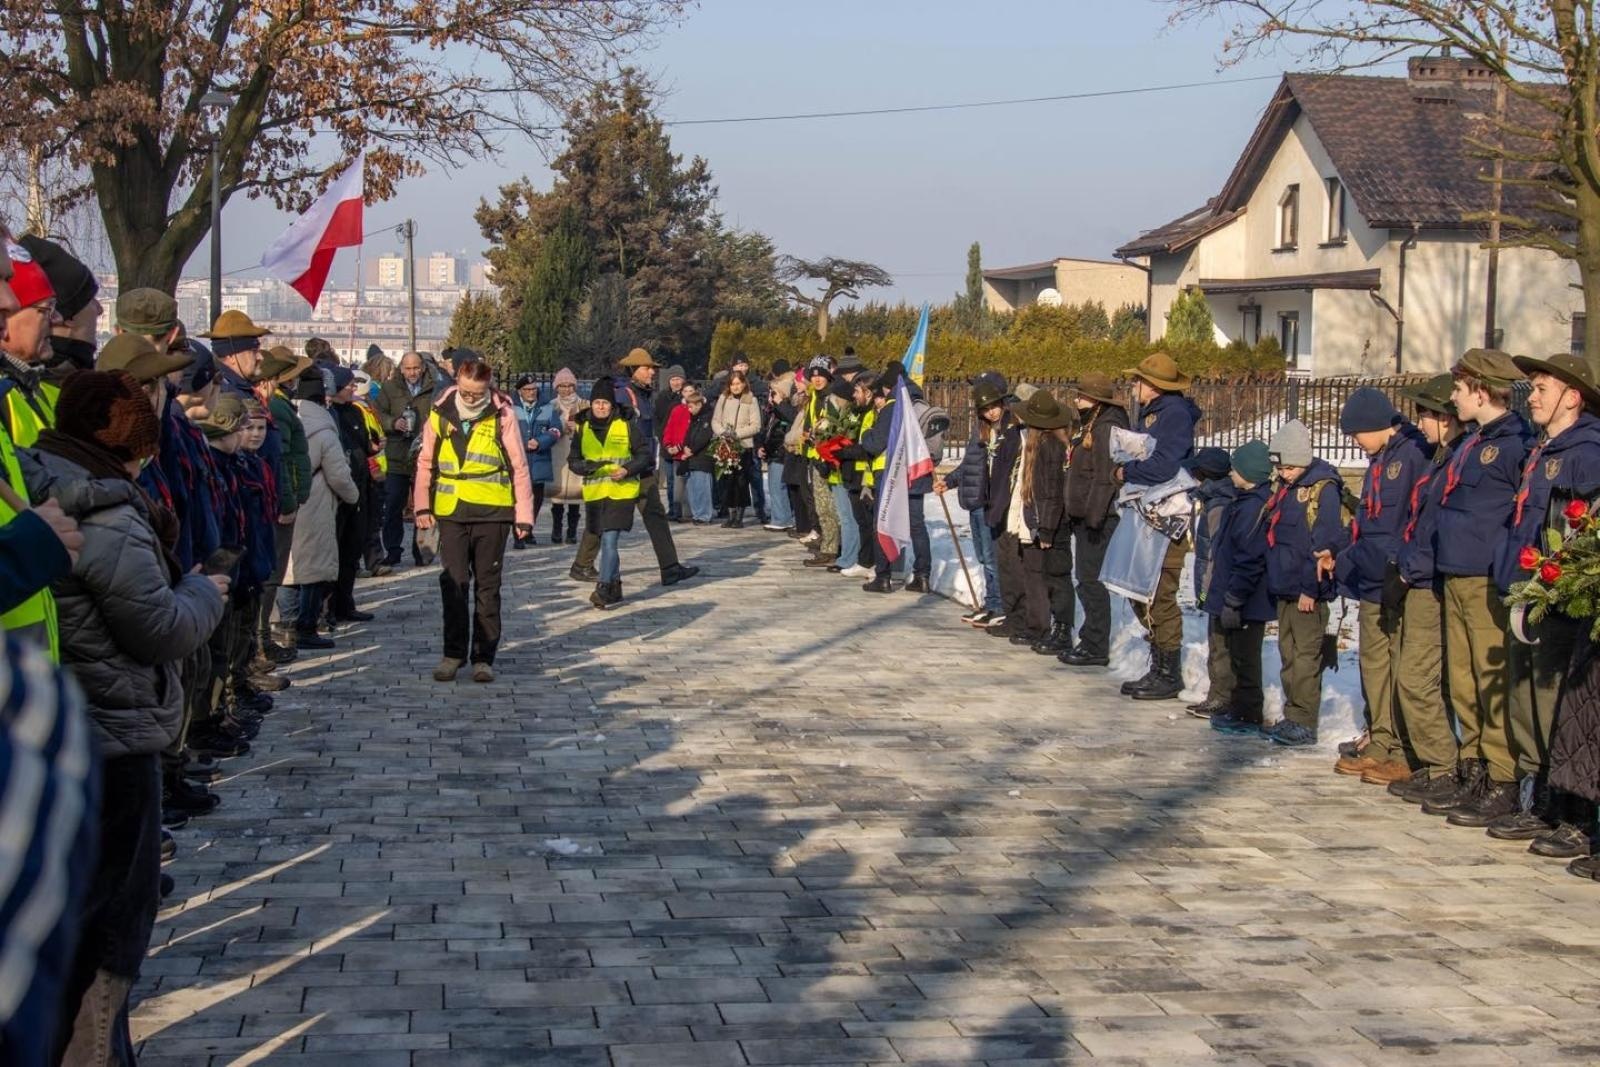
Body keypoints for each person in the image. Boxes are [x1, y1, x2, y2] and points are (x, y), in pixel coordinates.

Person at [28, 370, 226, 1065]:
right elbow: (159, 627)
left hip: (67, 725)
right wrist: (206, 589)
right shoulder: (107, 514)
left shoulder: (41, 479)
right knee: (112, 922)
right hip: (111, 730)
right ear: (130, 446)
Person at [1489, 353, 1600, 853]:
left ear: (1571, 396)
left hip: (1559, 597)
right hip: (1527, 587)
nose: (1530, 396)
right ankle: (1538, 800)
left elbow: (1580, 528)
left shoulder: (1587, 451)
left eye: (1541, 388)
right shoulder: (1544, 448)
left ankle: (1566, 807)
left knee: (1556, 702)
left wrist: (1555, 581)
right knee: (1526, 698)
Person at [1424, 349, 1532, 823]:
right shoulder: (1472, 442)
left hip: (1486, 575)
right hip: (1456, 572)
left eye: (1459, 389)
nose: (1452, 398)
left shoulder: (1514, 444)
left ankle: (1502, 777)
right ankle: (1473, 766)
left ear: (1482, 390)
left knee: (1491, 683)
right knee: (1463, 681)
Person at [413, 358, 534, 682]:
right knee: (454, 583)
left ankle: (483, 657)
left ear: (488, 386)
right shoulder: (440, 412)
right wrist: (422, 507)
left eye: (476, 393)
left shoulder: (503, 413)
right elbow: (425, 461)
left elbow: (518, 466)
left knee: (487, 584)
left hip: (492, 510)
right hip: (451, 509)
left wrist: (523, 516)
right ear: (456, 382)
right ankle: (452, 654)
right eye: (465, 392)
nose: (470, 399)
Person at [1332, 388, 1432, 782]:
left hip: (1395, 575)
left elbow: (1406, 520)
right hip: (1369, 575)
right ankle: (1382, 739)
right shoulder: (1379, 460)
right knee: (1374, 664)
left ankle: (1403, 746)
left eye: (1357, 433)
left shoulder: (1411, 454)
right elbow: (1366, 521)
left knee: (1400, 664)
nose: (1354, 442)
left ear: (1375, 425)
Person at [1388, 375, 1467, 804]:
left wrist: (1409, 569)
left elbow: (1437, 527)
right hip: (1417, 574)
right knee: (1416, 677)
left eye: (1426, 413)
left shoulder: (1453, 459)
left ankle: (1443, 764)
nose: (1421, 422)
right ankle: (1434, 764)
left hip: (1429, 580)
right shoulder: (1438, 459)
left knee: (1418, 678)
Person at [569, 349, 698, 587]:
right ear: (633, 370)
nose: (652, 372)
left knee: (654, 515)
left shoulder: (641, 394)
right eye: (647, 368)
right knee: (605, 518)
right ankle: (583, 565)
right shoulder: (622, 394)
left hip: (640, 467)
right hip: (623, 470)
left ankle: (670, 568)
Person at [1115, 353, 1201, 700]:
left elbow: (1164, 466)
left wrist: (1127, 472)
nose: (1133, 387)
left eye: (1137, 381)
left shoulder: (1174, 415)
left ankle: (1169, 671)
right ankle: (1158, 664)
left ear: (1154, 385)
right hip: (1148, 512)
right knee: (1142, 590)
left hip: (1167, 517)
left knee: (1159, 592)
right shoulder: (1154, 413)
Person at [1261, 419, 1349, 744]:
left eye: (1286, 466)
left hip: (1306, 591)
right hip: (1284, 586)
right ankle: (1291, 713)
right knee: (1288, 655)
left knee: (1305, 658)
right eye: (1279, 467)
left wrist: (1310, 589)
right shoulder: (1286, 488)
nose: (1282, 472)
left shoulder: (1321, 491)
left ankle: (1304, 719)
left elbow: (1321, 544)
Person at [282, 367, 359, 650]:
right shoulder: (324, 428)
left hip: (288, 496)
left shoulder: (287, 415)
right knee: (314, 569)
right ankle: (306, 625)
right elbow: (338, 473)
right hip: (314, 499)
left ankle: (285, 623)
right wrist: (353, 496)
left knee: (288, 566)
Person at [1206, 441, 1276, 736]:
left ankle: (1248, 711)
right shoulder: (1241, 501)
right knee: (1235, 654)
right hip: (1233, 594)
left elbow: (1248, 558)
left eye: (1236, 469)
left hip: (1246, 599)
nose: (1231, 474)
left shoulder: (1252, 508)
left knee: (1246, 657)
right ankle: (1238, 706)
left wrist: (1234, 598)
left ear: (1249, 472)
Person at [998, 388, 1073, 641]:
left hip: (1045, 524)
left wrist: (1046, 528)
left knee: (1044, 577)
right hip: (1034, 520)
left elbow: (1051, 491)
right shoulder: (1038, 444)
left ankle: (1041, 628)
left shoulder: (1049, 447)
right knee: (1033, 574)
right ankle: (1036, 626)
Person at [570, 376, 651, 609]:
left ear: (613, 405)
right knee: (604, 537)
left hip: (621, 492)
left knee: (609, 539)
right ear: (591, 404)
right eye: (597, 403)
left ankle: (604, 587)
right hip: (595, 494)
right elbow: (573, 459)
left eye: (605, 403)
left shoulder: (625, 425)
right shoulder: (583, 428)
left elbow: (644, 455)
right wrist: (586, 467)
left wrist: (627, 469)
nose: (601, 407)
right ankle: (615, 585)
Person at [1181, 447, 1237, 716]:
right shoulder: (1213, 501)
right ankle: (1219, 694)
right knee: (1217, 643)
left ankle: (1222, 697)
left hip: (1218, 588)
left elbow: (1215, 555)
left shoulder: (1219, 507)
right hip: (1215, 586)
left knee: (1221, 645)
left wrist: (1206, 591)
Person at [375, 351, 437, 566]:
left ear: (422, 368)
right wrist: (393, 423)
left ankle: (421, 550)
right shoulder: (390, 388)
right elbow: (378, 413)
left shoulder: (433, 388)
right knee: (393, 505)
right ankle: (393, 550)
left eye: (416, 368)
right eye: (408, 368)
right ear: (401, 368)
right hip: (397, 454)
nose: (412, 372)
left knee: (424, 505)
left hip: (424, 456)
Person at [0, 239, 60, 445]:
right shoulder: (6, 396)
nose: (57, 319)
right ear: (7, 321)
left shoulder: (42, 387)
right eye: (46, 310)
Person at [834, 372, 882, 583]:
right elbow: (846, 432)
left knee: (868, 521)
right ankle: (865, 560)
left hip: (865, 475)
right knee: (861, 520)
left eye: (857, 390)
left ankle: (869, 561)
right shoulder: (855, 411)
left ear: (868, 393)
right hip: (851, 473)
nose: (854, 394)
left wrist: (845, 451)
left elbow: (867, 446)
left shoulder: (873, 414)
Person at [510, 373, 556, 548]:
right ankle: (517, 533)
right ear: (520, 391)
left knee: (536, 499)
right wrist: (520, 443)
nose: (531, 392)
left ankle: (528, 528)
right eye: (527, 390)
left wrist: (541, 441)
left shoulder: (547, 407)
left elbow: (555, 430)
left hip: (539, 459)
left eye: (534, 389)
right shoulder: (511, 408)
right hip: (518, 460)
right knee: (518, 498)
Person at [712, 370, 761, 529]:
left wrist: (737, 434)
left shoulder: (750, 400)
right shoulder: (723, 398)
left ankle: (739, 515)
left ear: (744, 383)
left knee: (741, 481)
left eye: (738, 383)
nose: (735, 387)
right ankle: (730, 513)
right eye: (732, 384)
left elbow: (756, 425)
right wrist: (723, 433)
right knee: (727, 481)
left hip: (743, 446)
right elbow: (715, 420)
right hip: (725, 444)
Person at [543, 368, 587, 545]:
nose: (566, 390)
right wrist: (561, 425)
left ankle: (572, 531)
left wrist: (578, 427)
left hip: (577, 452)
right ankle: (556, 529)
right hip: (558, 453)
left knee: (576, 497)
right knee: (558, 497)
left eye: (569, 386)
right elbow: (545, 428)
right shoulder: (551, 405)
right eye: (562, 386)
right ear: (556, 387)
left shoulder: (584, 404)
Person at [761, 361, 797, 532]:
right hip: (777, 446)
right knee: (778, 484)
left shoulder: (783, 397)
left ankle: (781, 518)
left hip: (780, 446)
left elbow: (785, 421)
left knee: (777, 485)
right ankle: (782, 516)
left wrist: (777, 403)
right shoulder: (791, 388)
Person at [676, 386, 716, 524]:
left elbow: (704, 436)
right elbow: (688, 433)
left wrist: (692, 449)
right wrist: (686, 447)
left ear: (699, 404)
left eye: (691, 406)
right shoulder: (694, 418)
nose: (689, 409)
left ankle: (704, 515)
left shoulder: (707, 417)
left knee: (702, 488)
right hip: (692, 459)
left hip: (703, 458)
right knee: (693, 488)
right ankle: (697, 514)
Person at [656, 363, 686, 519]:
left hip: (681, 446)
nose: (676, 382)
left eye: (679, 379)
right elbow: (658, 420)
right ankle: (672, 509)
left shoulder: (686, 397)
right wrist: (663, 441)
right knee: (670, 480)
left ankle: (680, 509)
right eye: (673, 379)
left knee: (679, 479)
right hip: (666, 444)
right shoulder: (662, 397)